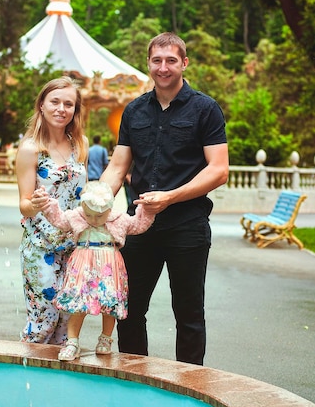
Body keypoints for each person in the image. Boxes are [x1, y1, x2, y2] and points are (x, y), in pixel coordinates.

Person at [101, 32, 229, 366]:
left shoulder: (206, 109)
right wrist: (97, 199)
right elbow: (118, 166)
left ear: (184, 63)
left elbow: (218, 170)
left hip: (187, 225)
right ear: (148, 64)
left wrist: (170, 197)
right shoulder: (134, 111)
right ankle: (136, 382)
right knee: (129, 310)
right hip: (139, 226)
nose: (163, 67)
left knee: (188, 315)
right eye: (157, 60)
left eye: (171, 60)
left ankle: (189, 389)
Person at [38, 180, 155, 360]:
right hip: (83, 263)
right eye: (89, 214)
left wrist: (147, 210)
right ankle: (72, 341)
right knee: (78, 303)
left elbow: (138, 225)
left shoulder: (118, 219)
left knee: (109, 303)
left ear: (109, 209)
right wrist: (47, 204)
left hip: (109, 264)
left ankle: (105, 338)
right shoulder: (77, 216)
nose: (94, 220)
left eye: (99, 215)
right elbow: (60, 220)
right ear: (83, 207)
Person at [15, 76, 88, 345]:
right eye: (55, 101)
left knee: (68, 324)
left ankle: (56, 384)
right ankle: (25, 378)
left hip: (74, 246)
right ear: (42, 106)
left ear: (75, 111)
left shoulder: (80, 145)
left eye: (68, 104)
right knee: (43, 320)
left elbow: (83, 194)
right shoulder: (30, 149)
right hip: (40, 246)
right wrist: (33, 203)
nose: (61, 109)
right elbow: (23, 203)